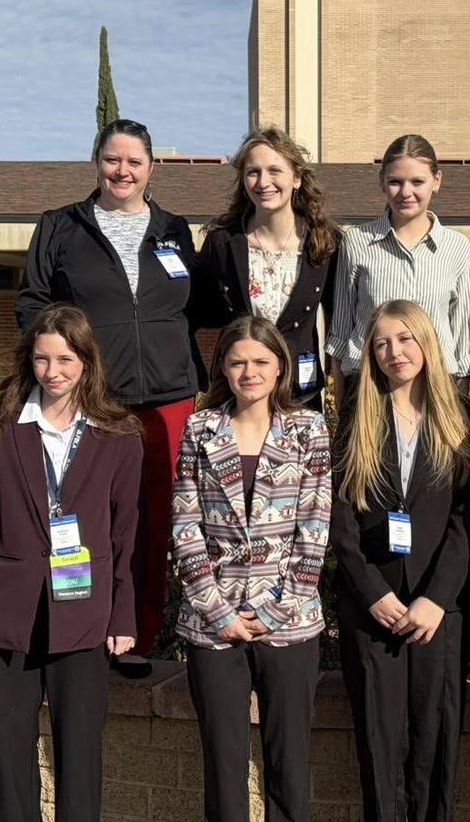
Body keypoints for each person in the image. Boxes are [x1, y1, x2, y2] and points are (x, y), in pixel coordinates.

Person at [16, 118, 203, 676]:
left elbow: (190, 308)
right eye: (112, 159)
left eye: (134, 161)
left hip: (170, 396)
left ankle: (138, 637)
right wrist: (58, 372)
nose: (123, 171)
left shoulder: (174, 229)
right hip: (97, 400)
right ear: (96, 162)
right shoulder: (60, 227)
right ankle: (79, 629)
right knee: (87, 517)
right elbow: (32, 305)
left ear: (152, 167)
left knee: (158, 520)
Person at [0, 303, 144, 822]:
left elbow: (126, 533)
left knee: (80, 753)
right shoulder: (1, 423)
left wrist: (124, 616)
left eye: (65, 359)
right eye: (40, 359)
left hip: (84, 613)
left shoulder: (119, 433)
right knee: (10, 755)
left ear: (86, 361)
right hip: (6, 608)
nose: (52, 372)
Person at [171, 314, 334, 822]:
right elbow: (184, 523)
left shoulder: (308, 428)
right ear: (222, 366)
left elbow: (315, 526)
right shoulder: (201, 428)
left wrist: (280, 610)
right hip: (212, 623)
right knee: (223, 762)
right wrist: (217, 611)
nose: (249, 372)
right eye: (238, 361)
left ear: (280, 365)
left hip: (289, 621)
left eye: (261, 361)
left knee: (288, 760)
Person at [330, 299, 470, 822]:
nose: (395, 352)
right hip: (374, 608)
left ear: (426, 344)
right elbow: (340, 522)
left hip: (439, 611)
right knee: (380, 742)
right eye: (381, 343)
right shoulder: (356, 418)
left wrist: (437, 598)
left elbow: (466, 519)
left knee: (435, 743)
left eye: (405, 339)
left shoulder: (462, 417)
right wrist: (372, 594)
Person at [198, 126, 343, 410]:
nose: (264, 182)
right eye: (253, 172)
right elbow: (197, 313)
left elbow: (339, 323)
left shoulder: (325, 242)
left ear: (297, 178)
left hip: (299, 393)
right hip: (240, 390)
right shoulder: (224, 242)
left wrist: (339, 386)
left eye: (275, 170)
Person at [329, 134, 470, 405]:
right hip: (370, 389)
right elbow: (341, 332)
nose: (406, 192)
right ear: (382, 183)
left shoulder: (457, 248)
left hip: (436, 390)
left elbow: (461, 339)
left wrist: (459, 407)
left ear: (437, 181)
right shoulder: (357, 242)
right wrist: (341, 405)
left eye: (417, 181)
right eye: (395, 182)